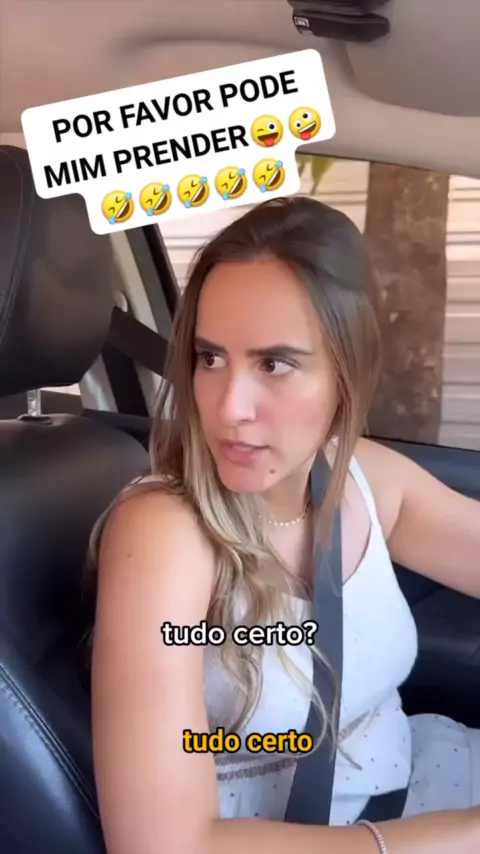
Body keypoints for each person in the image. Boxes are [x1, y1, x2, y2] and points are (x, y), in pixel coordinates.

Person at [90, 196, 480, 854]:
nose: (229, 408)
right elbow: (165, 845)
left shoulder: (361, 478)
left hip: (430, 775)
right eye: (210, 358)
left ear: (347, 374)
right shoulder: (164, 531)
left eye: (274, 363)